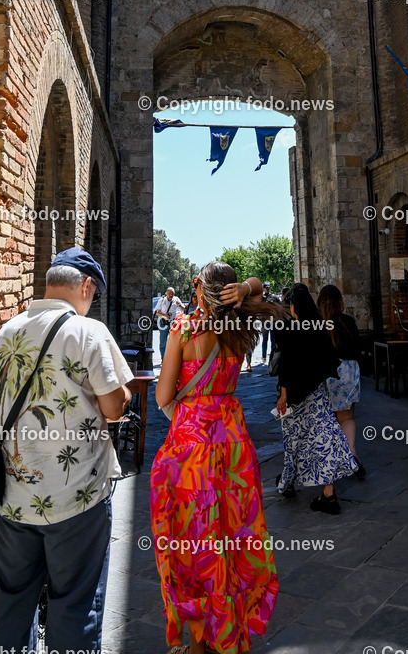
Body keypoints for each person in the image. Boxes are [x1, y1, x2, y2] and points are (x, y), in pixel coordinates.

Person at [0, 247, 133, 654]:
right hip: (76, 499)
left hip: (14, 499)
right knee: (75, 602)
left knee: (11, 603)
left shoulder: (4, 334)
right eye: (94, 293)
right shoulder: (88, 331)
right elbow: (114, 407)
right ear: (86, 285)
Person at [151, 264, 277, 654]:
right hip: (233, 444)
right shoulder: (240, 329)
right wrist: (249, 287)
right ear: (233, 291)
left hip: (191, 449)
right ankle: (228, 627)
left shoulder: (183, 331)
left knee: (194, 539)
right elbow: (264, 294)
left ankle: (199, 640)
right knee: (232, 536)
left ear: (196, 287)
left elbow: (161, 397)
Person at [273, 283, 358, 513]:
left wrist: (283, 395)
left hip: (295, 400)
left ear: (294, 306)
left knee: (293, 442)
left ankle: (287, 484)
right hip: (317, 396)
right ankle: (328, 493)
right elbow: (328, 361)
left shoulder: (293, 330)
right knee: (325, 440)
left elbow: (286, 367)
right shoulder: (318, 329)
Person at [317, 284, 365, 478]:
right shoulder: (348, 322)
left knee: (326, 419)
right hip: (348, 372)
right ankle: (352, 453)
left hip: (326, 372)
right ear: (340, 302)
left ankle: (330, 459)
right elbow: (357, 346)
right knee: (347, 418)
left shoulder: (318, 325)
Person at [155, 286, 185, 362]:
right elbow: (156, 312)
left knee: (174, 341)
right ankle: (163, 359)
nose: (171, 294)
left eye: (172, 293)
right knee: (163, 342)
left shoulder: (176, 299)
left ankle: (173, 359)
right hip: (163, 323)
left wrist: (179, 305)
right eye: (169, 293)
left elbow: (184, 309)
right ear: (166, 293)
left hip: (173, 323)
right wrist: (164, 315)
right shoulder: (161, 300)